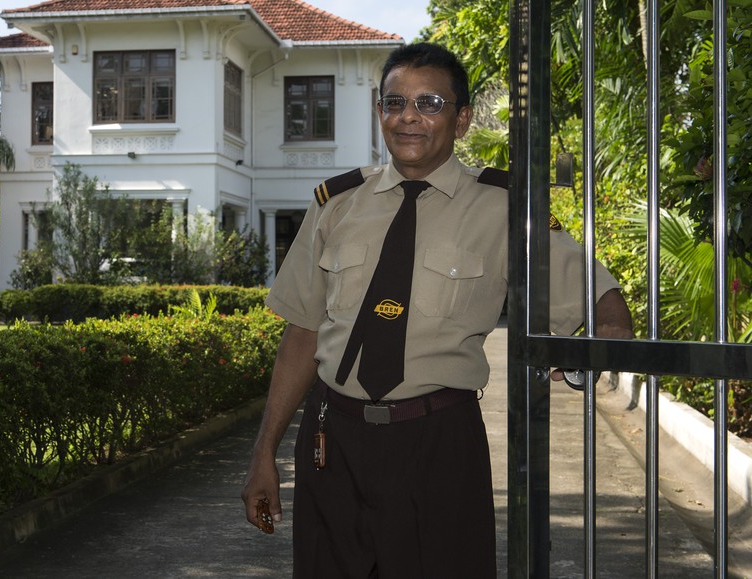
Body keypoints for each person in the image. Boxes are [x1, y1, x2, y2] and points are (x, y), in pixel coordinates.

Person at [241, 42, 634, 578]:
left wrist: (606, 325)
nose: (408, 117)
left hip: (439, 445)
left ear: (462, 118)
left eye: (429, 103)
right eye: (394, 101)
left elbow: (593, 289)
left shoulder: (503, 206)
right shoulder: (337, 204)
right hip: (333, 442)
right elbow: (304, 333)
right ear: (379, 111)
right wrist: (265, 450)